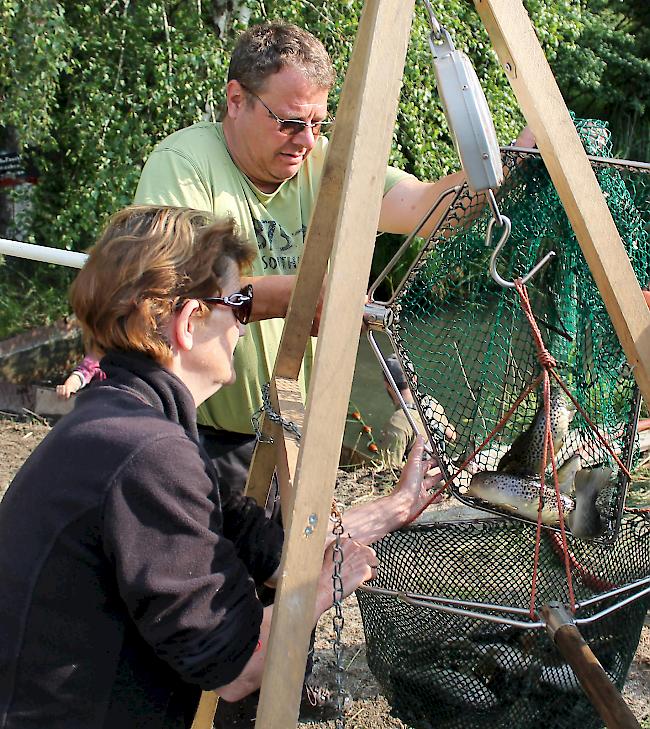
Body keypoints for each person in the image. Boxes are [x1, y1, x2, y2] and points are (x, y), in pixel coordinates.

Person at [0, 205, 442, 729]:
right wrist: (327, 588)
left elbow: (273, 548)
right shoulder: (147, 456)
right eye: (239, 304)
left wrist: (397, 506)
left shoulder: (123, 421)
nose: (242, 325)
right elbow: (234, 665)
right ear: (189, 322)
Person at [377, 354, 456, 469]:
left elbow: (389, 469)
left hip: (422, 481)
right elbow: (452, 436)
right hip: (443, 472)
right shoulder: (431, 403)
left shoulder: (397, 423)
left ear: (387, 385)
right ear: (414, 379)